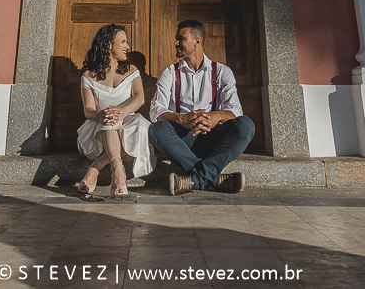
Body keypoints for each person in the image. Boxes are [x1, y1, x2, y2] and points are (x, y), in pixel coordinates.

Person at [148, 20, 255, 195]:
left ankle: (196, 180)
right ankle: (214, 178)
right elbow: (155, 109)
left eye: (180, 39)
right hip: (182, 140)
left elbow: (235, 110)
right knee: (158, 129)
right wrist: (181, 119)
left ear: (197, 41)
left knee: (246, 125)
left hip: (212, 137)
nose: (175, 43)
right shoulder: (169, 73)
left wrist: (215, 117)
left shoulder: (222, 72)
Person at [75, 24, 156, 198]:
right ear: (108, 45)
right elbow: (88, 110)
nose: (128, 46)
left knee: (120, 123)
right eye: (123, 42)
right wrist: (100, 114)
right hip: (99, 127)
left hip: (129, 120)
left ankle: (97, 167)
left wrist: (122, 112)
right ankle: (118, 172)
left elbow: (139, 97)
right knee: (108, 120)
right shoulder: (88, 75)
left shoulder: (132, 70)